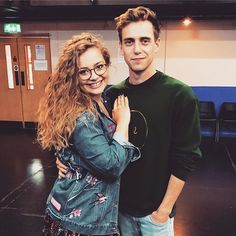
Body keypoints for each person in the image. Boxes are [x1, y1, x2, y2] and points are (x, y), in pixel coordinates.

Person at [57, 6, 202, 236]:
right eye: (129, 42)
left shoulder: (179, 95)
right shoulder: (111, 94)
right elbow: (95, 144)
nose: (137, 49)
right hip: (116, 211)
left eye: (144, 41)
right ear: (121, 48)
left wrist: (162, 212)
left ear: (156, 44)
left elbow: (186, 159)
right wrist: (66, 161)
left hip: (155, 216)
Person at [37, 32, 140, 236]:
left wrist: (68, 160)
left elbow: (73, 146)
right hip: (81, 220)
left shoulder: (98, 100)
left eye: (99, 67)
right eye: (83, 71)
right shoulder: (82, 114)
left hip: (78, 210)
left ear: (106, 64)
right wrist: (123, 122)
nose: (94, 76)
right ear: (73, 76)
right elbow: (111, 165)